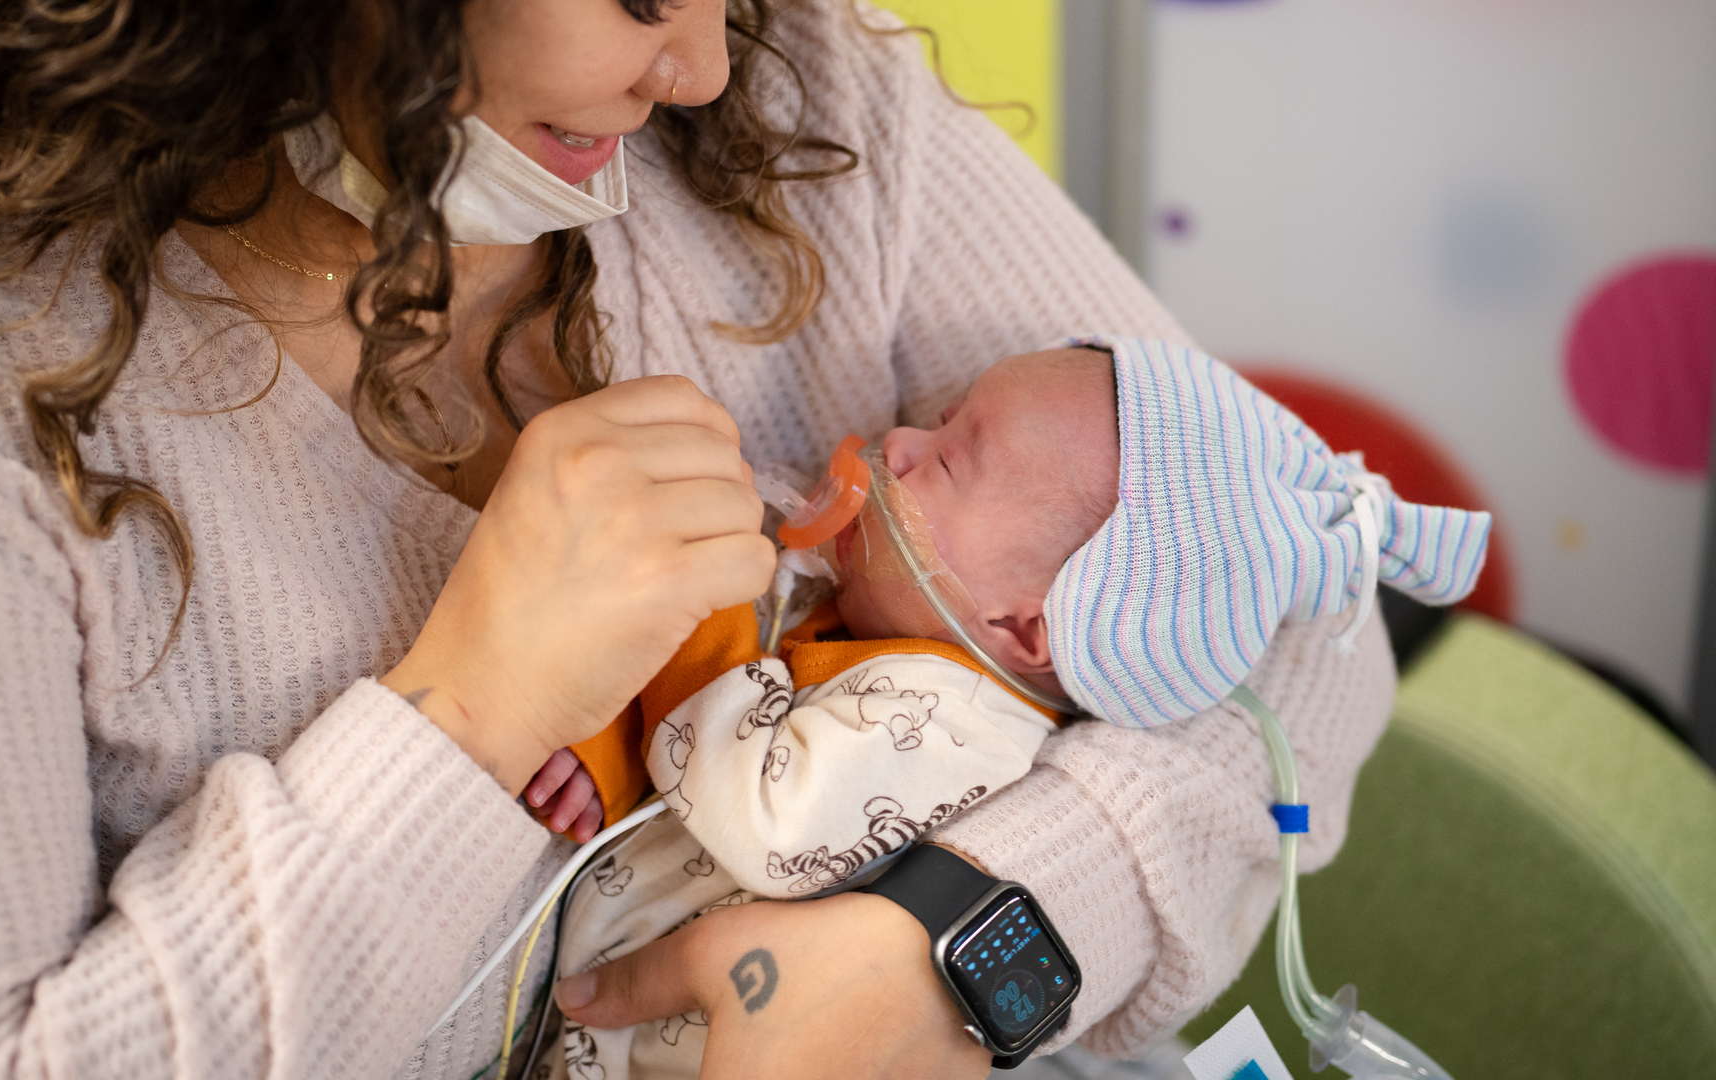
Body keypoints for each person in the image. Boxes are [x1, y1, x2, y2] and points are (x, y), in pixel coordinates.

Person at [0, 2, 1396, 1079]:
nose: (701, 66)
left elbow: (1307, 619)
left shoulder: (792, 95)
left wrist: (977, 941)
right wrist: (460, 720)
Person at [525, 337, 1489, 1080]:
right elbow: (693, 742)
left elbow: (765, 814)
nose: (897, 442)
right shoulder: (854, 617)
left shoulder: (948, 720)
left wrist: (705, 599)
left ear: (1026, 627)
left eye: (947, 460)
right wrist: (607, 753)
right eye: (938, 423)